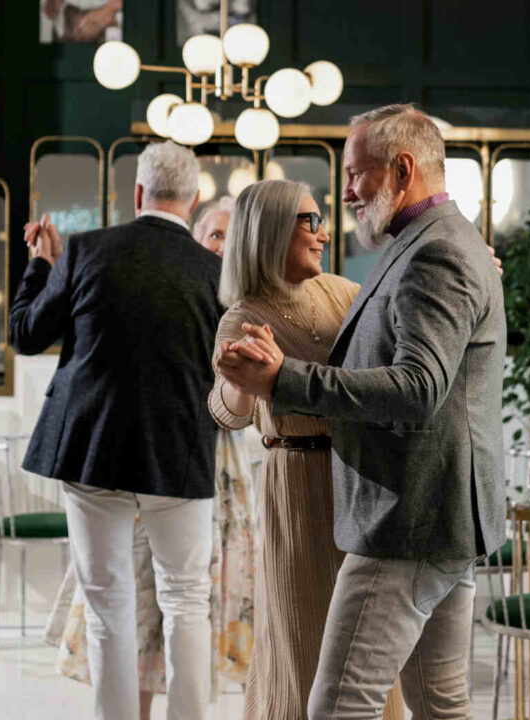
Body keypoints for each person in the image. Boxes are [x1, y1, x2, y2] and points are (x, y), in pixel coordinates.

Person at [217, 104, 507, 720]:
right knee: (439, 702)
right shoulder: (439, 243)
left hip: (406, 518)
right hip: (436, 516)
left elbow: (418, 387)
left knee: (341, 705)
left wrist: (282, 378)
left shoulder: (437, 253)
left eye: (357, 175)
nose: (346, 194)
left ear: (403, 170)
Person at [10, 140, 222, 720]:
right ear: (194, 198)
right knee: (187, 600)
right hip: (180, 453)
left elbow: (26, 333)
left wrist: (40, 265)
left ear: (137, 194)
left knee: (108, 605)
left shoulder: (85, 251)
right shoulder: (217, 273)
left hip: (92, 449)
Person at [207, 180, 405, 720]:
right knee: (302, 637)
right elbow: (228, 412)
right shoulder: (241, 317)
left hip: (359, 482)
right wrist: (245, 380)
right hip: (296, 485)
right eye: (310, 221)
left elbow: (401, 327)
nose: (322, 234)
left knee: (368, 644)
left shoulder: (341, 292)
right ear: (272, 231)